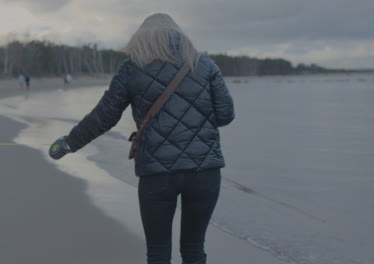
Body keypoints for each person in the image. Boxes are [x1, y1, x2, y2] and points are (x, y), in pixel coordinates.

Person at [48, 13, 235, 264]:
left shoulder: (131, 69)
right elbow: (225, 116)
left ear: (141, 39)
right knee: (193, 248)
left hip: (157, 175)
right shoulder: (205, 65)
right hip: (205, 173)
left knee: (158, 252)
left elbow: (104, 117)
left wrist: (70, 142)